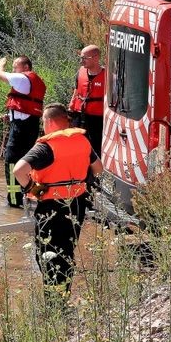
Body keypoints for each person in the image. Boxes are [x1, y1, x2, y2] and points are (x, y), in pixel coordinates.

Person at [13, 104, 103, 294]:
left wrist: (34, 190)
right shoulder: (82, 140)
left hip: (51, 207)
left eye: (43, 122)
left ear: (50, 122)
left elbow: (18, 171)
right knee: (66, 252)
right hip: (76, 205)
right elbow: (98, 169)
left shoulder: (45, 147)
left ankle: (52, 299)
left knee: (46, 254)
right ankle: (64, 294)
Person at [0, 55, 46, 208]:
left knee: (11, 163)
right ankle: (37, 193)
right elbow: (26, 108)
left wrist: (1, 64)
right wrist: (10, 116)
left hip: (21, 129)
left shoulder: (23, 79)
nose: (13, 69)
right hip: (28, 125)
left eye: (15, 66)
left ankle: (15, 201)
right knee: (25, 162)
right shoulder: (32, 81)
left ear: (25, 67)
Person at [68, 44, 106, 159]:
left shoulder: (107, 76)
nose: (81, 61)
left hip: (97, 117)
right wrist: (71, 107)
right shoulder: (81, 72)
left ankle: (96, 174)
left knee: (95, 147)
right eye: (81, 58)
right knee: (75, 144)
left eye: (85, 58)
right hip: (79, 114)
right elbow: (77, 89)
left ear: (96, 58)